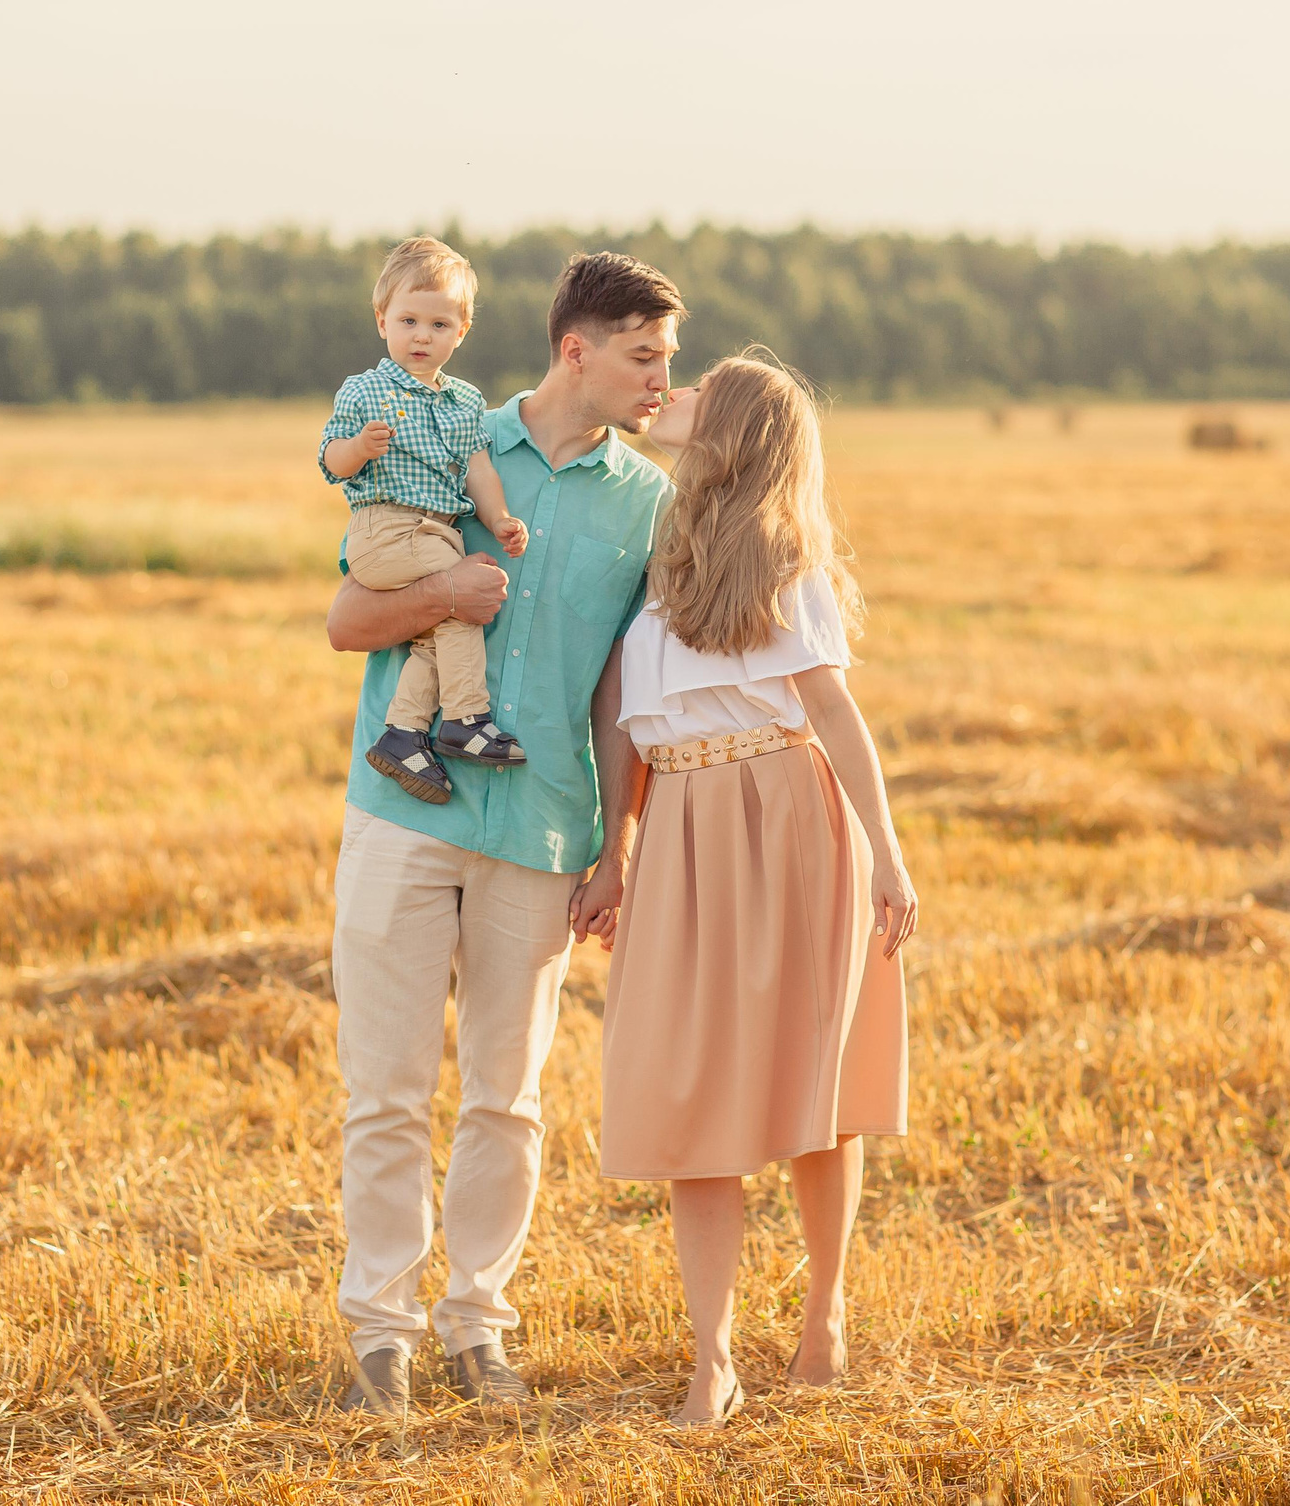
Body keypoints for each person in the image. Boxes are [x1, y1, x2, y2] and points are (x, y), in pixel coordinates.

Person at [321, 252, 686, 1412]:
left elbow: (623, 697)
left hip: (542, 829)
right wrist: (448, 593)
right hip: (403, 812)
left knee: (504, 1098)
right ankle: (377, 1331)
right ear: (575, 349)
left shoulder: (648, 504)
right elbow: (347, 618)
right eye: (644, 354)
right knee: (383, 1089)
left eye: (667, 358)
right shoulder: (441, 427)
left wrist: (616, 850)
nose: (660, 379)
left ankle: (477, 1325)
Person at [594, 350, 918, 1429]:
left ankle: (824, 1311)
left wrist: (889, 854)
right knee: (692, 1096)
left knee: (809, 1087)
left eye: (692, 390)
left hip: (787, 824)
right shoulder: (657, 556)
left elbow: (835, 720)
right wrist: (612, 854)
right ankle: (713, 1356)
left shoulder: (784, 564)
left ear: (729, 430)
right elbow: (625, 734)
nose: (666, 394)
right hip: (682, 832)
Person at [319, 237, 531, 803]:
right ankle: (466, 718)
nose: (421, 336)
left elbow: (479, 471)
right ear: (381, 320)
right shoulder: (365, 390)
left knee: (439, 633)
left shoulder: (465, 402)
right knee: (459, 594)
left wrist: (502, 516)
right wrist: (360, 448)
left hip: (434, 530)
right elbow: (330, 461)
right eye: (408, 320)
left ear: (460, 332)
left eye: (439, 325)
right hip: (384, 529)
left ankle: (404, 734)